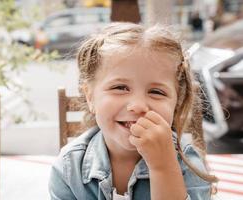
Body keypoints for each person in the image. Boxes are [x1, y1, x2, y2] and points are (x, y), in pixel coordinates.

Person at [49, 22, 217, 200]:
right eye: (120, 87)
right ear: (90, 97)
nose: (137, 105)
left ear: (176, 103)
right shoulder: (68, 167)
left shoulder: (188, 165)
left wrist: (163, 167)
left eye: (156, 92)